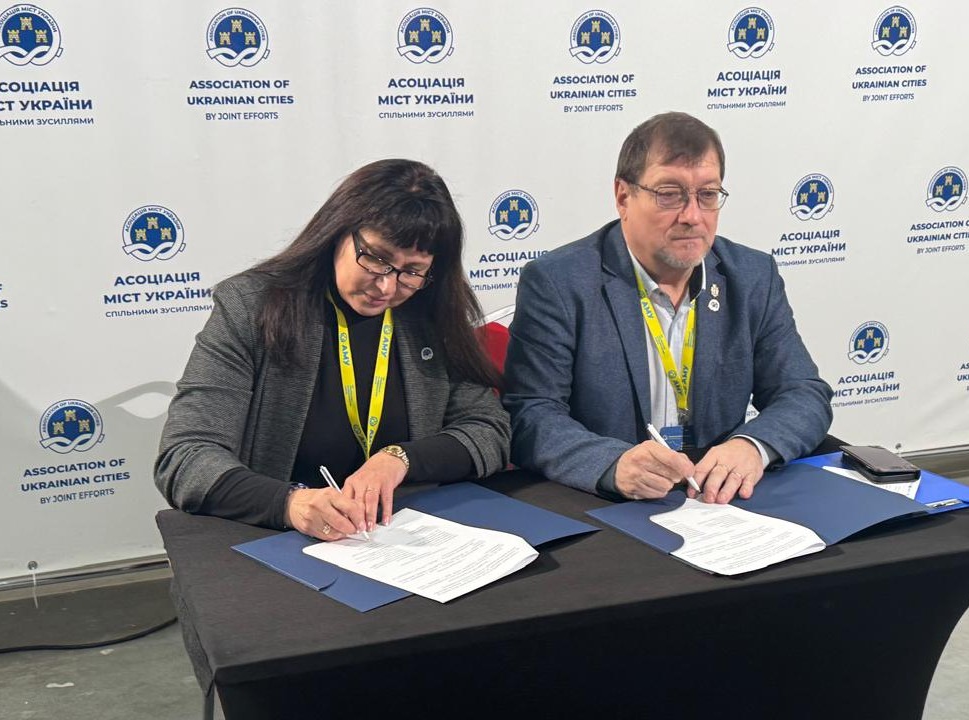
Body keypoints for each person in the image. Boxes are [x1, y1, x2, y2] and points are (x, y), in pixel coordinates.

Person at [155, 159, 510, 540]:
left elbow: (489, 430)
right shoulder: (251, 307)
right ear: (339, 231)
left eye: (412, 270)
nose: (387, 287)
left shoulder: (429, 314)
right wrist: (289, 504)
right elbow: (186, 456)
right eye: (377, 259)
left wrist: (401, 459)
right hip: (280, 540)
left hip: (401, 537)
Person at [503, 112, 832, 505]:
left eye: (707, 195)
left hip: (717, 502)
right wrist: (612, 464)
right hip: (610, 504)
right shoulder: (559, 282)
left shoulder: (752, 276)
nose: (692, 216)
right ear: (623, 197)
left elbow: (802, 392)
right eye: (669, 194)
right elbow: (532, 414)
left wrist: (751, 446)